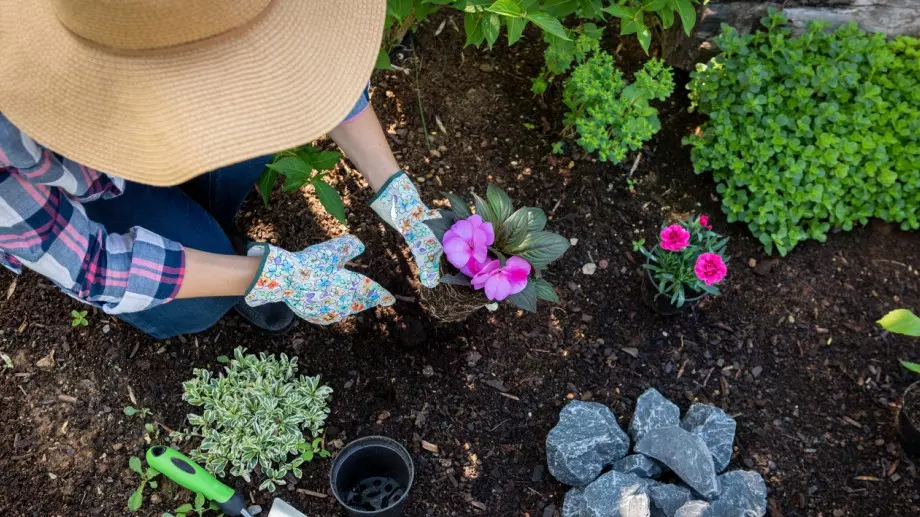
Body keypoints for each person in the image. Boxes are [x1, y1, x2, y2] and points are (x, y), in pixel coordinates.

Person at [0, 0, 443, 339]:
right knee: (194, 306)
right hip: (80, 185)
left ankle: (208, 231)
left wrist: (394, 188)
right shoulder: (12, 127)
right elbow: (93, 265)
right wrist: (273, 276)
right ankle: (212, 251)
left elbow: (316, 71)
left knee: (249, 142)